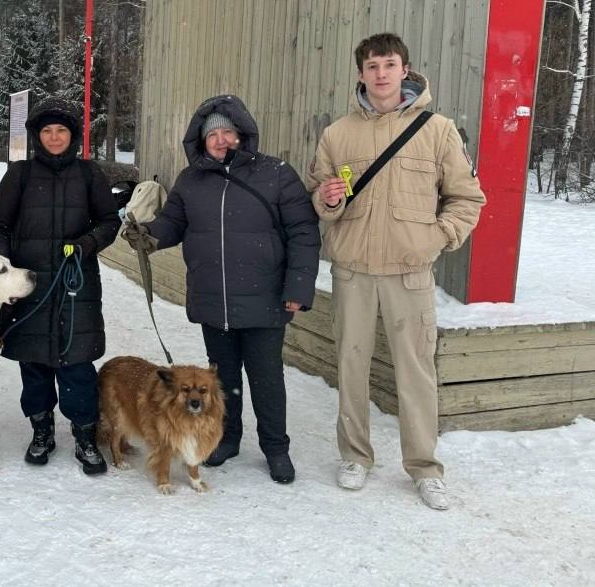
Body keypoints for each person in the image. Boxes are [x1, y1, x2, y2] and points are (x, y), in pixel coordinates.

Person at [306, 32, 485, 510]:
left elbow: (468, 198)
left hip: (410, 273)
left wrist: (438, 237)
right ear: (360, 74)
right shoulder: (337, 134)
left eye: (389, 64)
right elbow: (321, 196)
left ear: (405, 70)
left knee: (416, 373)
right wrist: (327, 200)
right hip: (353, 272)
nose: (381, 74)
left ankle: (424, 467)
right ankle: (355, 456)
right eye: (372, 66)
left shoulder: (438, 130)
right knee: (351, 366)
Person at [123, 95, 319, 484]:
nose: (221, 140)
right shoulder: (190, 180)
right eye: (212, 134)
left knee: (266, 379)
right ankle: (227, 439)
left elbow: (303, 231)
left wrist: (298, 287)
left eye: (228, 132)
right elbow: (172, 224)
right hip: (213, 299)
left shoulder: (276, 174)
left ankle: (276, 448)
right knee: (222, 380)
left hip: (265, 297)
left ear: (242, 135)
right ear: (202, 140)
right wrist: (148, 235)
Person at [0, 98, 120, 476]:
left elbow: (109, 222)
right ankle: (41, 430)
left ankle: (84, 433)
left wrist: (87, 244)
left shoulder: (89, 174)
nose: (54, 137)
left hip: (76, 282)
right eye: (47, 130)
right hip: (29, 284)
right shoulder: (20, 175)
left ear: (72, 136)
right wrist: (5, 271)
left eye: (61, 130)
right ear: (37, 136)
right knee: (35, 362)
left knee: (77, 364)